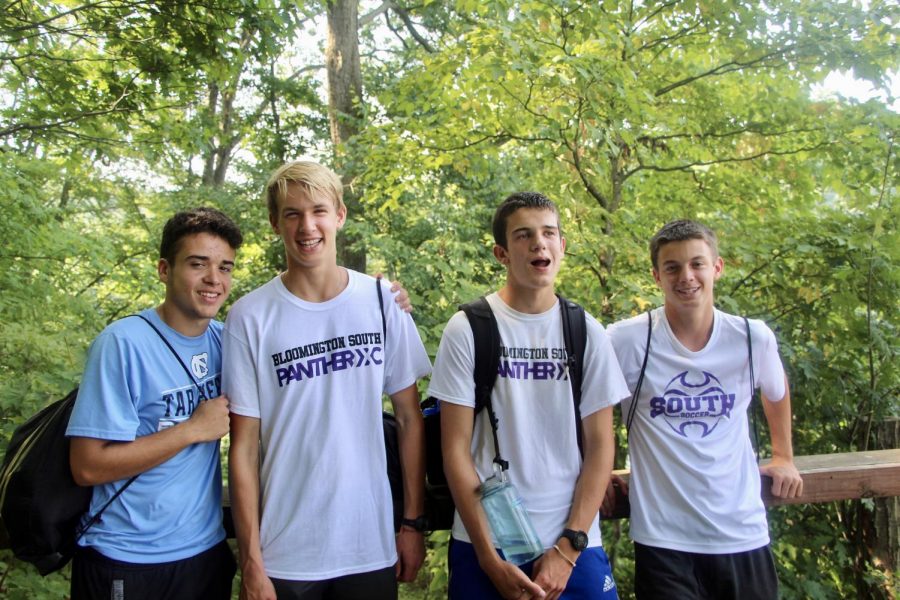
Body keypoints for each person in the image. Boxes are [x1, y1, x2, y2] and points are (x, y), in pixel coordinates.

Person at [225, 160, 431, 600]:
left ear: (339, 215)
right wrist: (252, 561)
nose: (307, 226)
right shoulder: (250, 316)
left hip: (369, 546)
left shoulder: (382, 302)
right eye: (292, 214)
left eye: (318, 210)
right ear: (275, 223)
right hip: (285, 554)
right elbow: (242, 448)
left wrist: (413, 523)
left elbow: (411, 420)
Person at [430, 192, 629, 600]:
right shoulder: (468, 328)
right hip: (485, 544)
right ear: (501, 253)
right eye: (524, 235)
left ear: (562, 246)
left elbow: (600, 446)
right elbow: (455, 451)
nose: (539, 243)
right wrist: (488, 558)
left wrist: (568, 547)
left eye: (548, 233)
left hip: (574, 545)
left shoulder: (585, 330)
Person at [604, 219, 803, 600]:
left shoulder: (750, 337)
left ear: (717, 267)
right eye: (672, 267)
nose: (687, 277)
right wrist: (593, 473)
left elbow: (776, 391)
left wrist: (784, 455)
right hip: (664, 538)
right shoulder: (628, 341)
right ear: (656, 276)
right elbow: (590, 408)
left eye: (697, 264)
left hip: (742, 530)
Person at [66, 207, 243, 600]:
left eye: (225, 267)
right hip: (126, 557)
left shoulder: (225, 341)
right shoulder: (122, 344)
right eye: (198, 264)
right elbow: (87, 465)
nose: (214, 279)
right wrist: (191, 431)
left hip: (205, 554)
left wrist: (378, 298)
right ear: (164, 269)